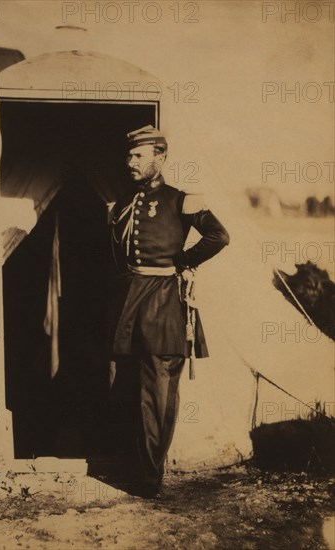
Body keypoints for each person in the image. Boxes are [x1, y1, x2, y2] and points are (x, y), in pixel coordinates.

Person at [108, 125, 230, 498]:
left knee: (158, 391)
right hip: (131, 300)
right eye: (129, 155)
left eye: (139, 156)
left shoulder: (182, 199)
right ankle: (134, 466)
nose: (130, 162)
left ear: (159, 158)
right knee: (128, 385)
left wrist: (183, 261)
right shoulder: (124, 203)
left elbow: (219, 236)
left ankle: (149, 479)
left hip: (164, 302)